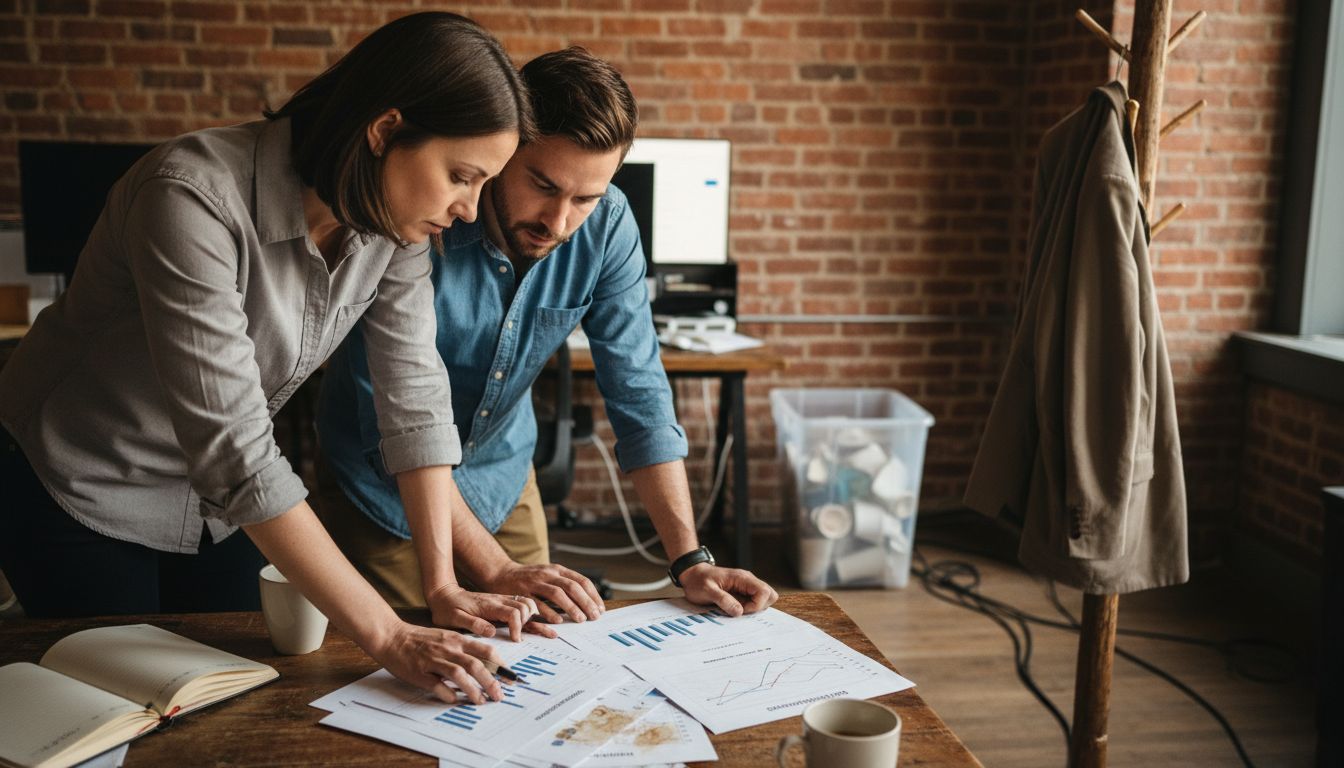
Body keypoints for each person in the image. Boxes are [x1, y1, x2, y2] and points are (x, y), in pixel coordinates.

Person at [0, 12, 536, 705]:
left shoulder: (393, 228)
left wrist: (441, 587)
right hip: (78, 486)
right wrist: (388, 634)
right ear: (384, 131)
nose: (469, 209)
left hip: (216, 507)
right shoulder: (189, 194)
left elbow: (415, 400)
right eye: (462, 176)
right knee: (120, 716)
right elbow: (235, 449)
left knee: (257, 693)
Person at [315, 47, 778, 632]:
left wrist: (688, 559)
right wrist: (493, 569)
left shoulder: (609, 226)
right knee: (409, 664)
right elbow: (397, 414)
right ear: (504, 150)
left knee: (545, 653)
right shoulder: (420, 216)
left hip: (503, 477)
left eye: (585, 198)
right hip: (380, 493)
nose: (559, 222)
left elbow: (640, 393)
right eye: (543, 185)